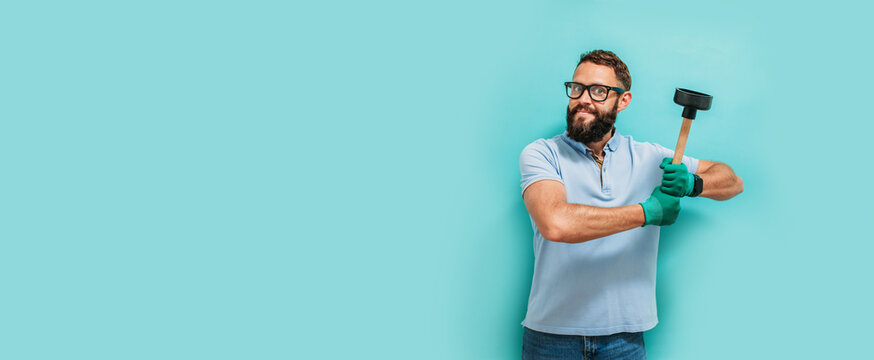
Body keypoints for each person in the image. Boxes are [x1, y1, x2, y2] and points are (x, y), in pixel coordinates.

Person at [519, 50, 744, 360]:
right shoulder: (542, 154)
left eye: (598, 91)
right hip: (552, 337)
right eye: (577, 88)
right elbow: (555, 223)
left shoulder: (648, 157)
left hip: (624, 339)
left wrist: (694, 185)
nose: (583, 98)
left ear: (622, 100)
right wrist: (647, 212)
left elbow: (733, 181)